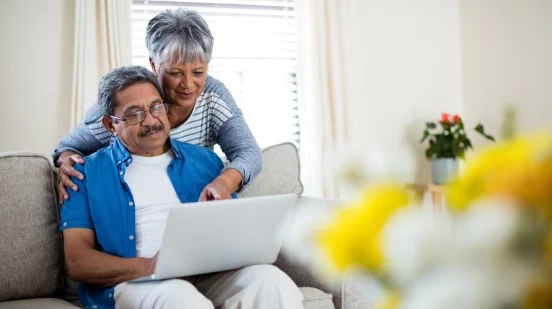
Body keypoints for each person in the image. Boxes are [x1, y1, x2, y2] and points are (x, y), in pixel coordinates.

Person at [61, 65, 303, 309]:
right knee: (181, 298)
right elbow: (77, 262)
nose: (151, 121)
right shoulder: (84, 174)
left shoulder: (205, 161)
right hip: (138, 281)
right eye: (134, 114)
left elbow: (232, 230)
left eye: (156, 107)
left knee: (272, 281)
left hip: (210, 273)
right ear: (110, 125)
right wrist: (150, 265)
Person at [53, 8, 261, 204]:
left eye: (198, 72)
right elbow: (66, 149)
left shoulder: (214, 96)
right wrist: (69, 165)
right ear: (153, 64)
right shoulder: (125, 102)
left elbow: (248, 153)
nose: (188, 85)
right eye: (175, 72)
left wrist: (222, 183)